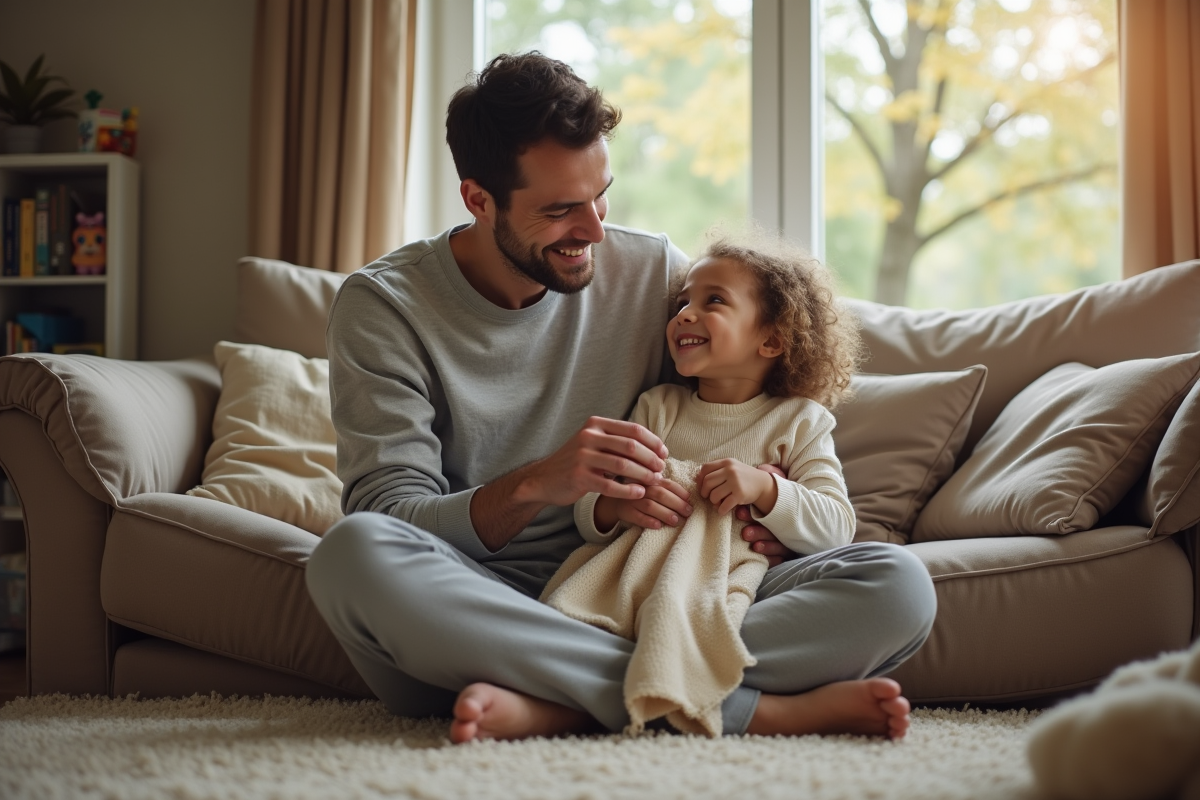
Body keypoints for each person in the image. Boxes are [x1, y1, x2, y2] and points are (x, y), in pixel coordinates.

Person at [305, 51, 937, 745]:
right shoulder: (383, 307)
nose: (595, 230)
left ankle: (562, 703)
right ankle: (737, 708)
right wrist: (540, 484)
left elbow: (741, 399)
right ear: (479, 200)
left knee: (897, 585)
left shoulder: (652, 273)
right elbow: (391, 513)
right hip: (479, 598)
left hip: (657, 591)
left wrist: (768, 509)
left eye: (600, 194)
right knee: (351, 554)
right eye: (560, 211)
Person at [541, 233, 863, 737]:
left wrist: (766, 490)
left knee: (896, 581)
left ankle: (611, 684)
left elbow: (837, 527)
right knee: (563, 617)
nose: (685, 314)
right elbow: (587, 510)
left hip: (735, 592)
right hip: (634, 585)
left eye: (712, 301)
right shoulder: (659, 406)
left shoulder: (800, 422)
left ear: (772, 339)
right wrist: (618, 507)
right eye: (683, 301)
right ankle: (683, 680)